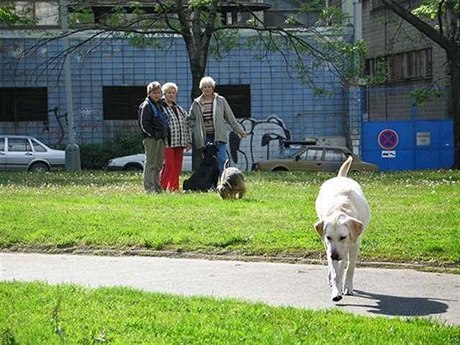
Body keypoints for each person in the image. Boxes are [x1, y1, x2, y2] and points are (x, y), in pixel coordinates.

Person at [188, 76, 246, 173]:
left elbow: (230, 117)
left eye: (209, 87)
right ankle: (210, 182)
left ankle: (221, 179)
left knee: (221, 159)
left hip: (218, 135)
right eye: (205, 87)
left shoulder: (221, 100)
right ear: (201, 88)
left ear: (213, 88)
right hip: (205, 136)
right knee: (208, 160)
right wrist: (196, 128)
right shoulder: (196, 103)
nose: (207, 89)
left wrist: (239, 130)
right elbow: (190, 119)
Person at [138, 81, 170, 194]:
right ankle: (149, 188)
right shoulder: (146, 105)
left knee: (158, 164)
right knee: (150, 163)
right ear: (149, 93)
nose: (157, 95)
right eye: (154, 93)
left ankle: (157, 187)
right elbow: (144, 124)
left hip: (161, 138)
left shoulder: (160, 105)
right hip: (151, 139)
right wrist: (152, 134)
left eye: (158, 92)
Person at [160, 82, 191, 192]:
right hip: (167, 141)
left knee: (177, 166)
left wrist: (188, 141)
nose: (171, 95)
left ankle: (174, 188)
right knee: (169, 165)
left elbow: (187, 123)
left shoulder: (178, 108)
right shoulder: (160, 107)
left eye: (173, 93)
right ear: (164, 93)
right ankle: (162, 187)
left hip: (180, 141)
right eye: (169, 92)